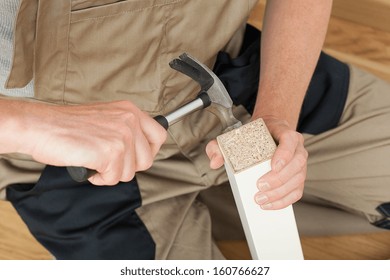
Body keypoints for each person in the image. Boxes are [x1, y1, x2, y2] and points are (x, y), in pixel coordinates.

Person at [0, 0, 388, 260]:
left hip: (239, 83)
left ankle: (217, 200)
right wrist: (28, 124)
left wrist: (279, 109)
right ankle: (198, 207)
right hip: (77, 170)